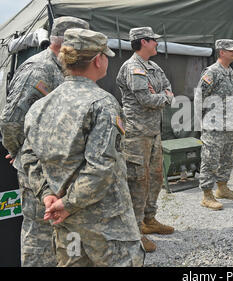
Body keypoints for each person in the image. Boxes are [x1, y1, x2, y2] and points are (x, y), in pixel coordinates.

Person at [21, 28, 144, 266]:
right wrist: (67, 205)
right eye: (105, 55)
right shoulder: (102, 103)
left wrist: (47, 195)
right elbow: (100, 167)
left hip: (66, 223)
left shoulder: (40, 106)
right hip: (107, 224)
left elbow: (28, 156)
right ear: (98, 60)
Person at [0, 16, 89, 267]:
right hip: (38, 171)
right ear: (67, 43)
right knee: (38, 237)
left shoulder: (64, 69)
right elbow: (10, 120)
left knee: (60, 234)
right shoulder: (38, 69)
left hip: (62, 170)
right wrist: (19, 152)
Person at [116, 27, 174, 253]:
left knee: (156, 177)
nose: (157, 44)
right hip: (136, 134)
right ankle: (135, 230)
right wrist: (165, 98)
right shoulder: (132, 67)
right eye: (153, 41)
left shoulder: (153, 67)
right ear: (143, 42)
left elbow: (167, 87)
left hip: (153, 132)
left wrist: (163, 96)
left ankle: (149, 219)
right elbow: (146, 99)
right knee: (138, 181)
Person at [194, 39, 233, 211]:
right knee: (210, 160)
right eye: (231, 50)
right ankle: (207, 195)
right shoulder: (212, 72)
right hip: (213, 125)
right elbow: (199, 98)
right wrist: (202, 122)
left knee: (226, 158)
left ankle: (222, 188)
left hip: (228, 124)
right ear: (221, 52)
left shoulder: (229, 72)